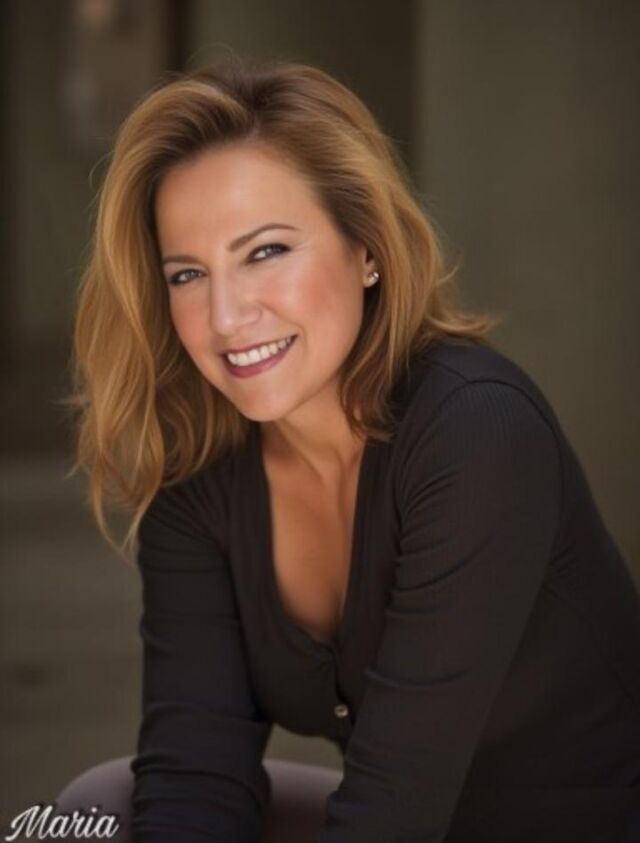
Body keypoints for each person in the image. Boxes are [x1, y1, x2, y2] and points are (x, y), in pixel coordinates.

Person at [60, 56, 640, 842]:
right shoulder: (201, 473)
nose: (226, 316)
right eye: (188, 273)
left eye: (266, 251)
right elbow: (195, 771)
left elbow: (389, 817)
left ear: (366, 247)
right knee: (97, 807)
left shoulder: (476, 434)